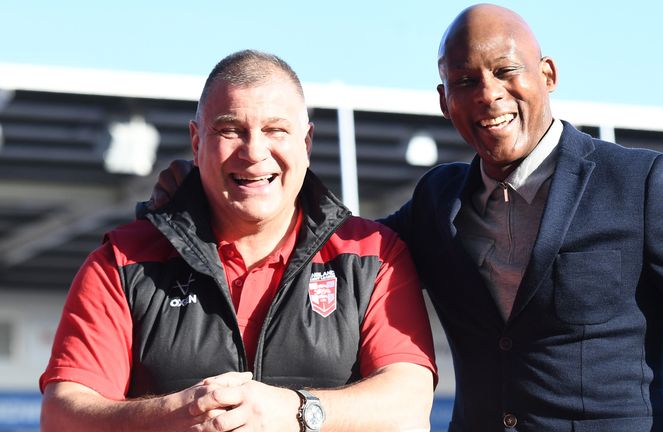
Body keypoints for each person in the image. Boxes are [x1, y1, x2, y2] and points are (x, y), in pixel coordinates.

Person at [146, 4, 663, 432]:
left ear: (547, 76)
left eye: (506, 72)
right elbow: (335, 245)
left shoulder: (641, 184)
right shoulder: (436, 202)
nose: (489, 94)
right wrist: (213, 186)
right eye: (465, 80)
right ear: (445, 102)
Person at [39, 49, 437, 432]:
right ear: (197, 143)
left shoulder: (373, 254)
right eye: (230, 130)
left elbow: (409, 405)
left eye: (275, 130)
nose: (254, 151)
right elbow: (62, 416)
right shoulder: (122, 260)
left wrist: (298, 412)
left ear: (306, 143)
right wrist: (171, 415)